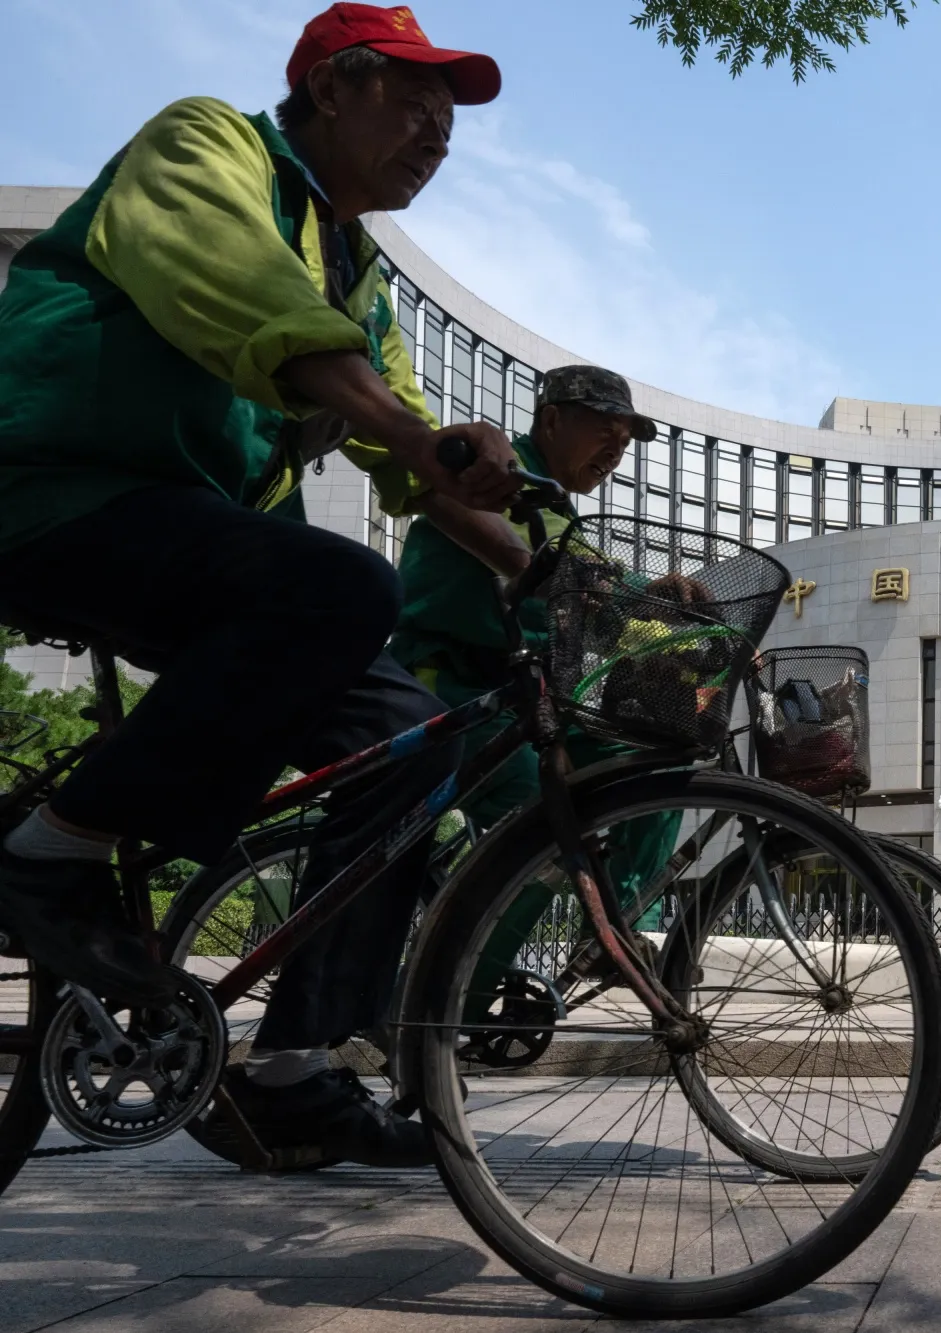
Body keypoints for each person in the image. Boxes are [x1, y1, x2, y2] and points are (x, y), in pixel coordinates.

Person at [0, 4, 519, 1167]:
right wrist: (403, 428)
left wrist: (546, 572)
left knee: (420, 740)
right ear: (330, 89)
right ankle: (54, 848)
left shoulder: (358, 272)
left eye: (454, 114)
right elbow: (240, 294)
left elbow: (412, 454)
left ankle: (290, 1067)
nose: (440, 130)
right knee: (342, 589)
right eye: (415, 96)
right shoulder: (203, 147)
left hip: (190, 538)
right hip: (53, 494)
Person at [391, 367, 679, 994]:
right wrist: (613, 590)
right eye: (605, 429)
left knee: (648, 766)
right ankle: (452, 997)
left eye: (626, 440)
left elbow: (589, 580)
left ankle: (619, 925)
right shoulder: (499, 474)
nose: (616, 450)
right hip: (451, 679)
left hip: (526, 698)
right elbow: (541, 562)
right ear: (551, 419)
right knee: (541, 823)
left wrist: (662, 608)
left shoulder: (553, 500)